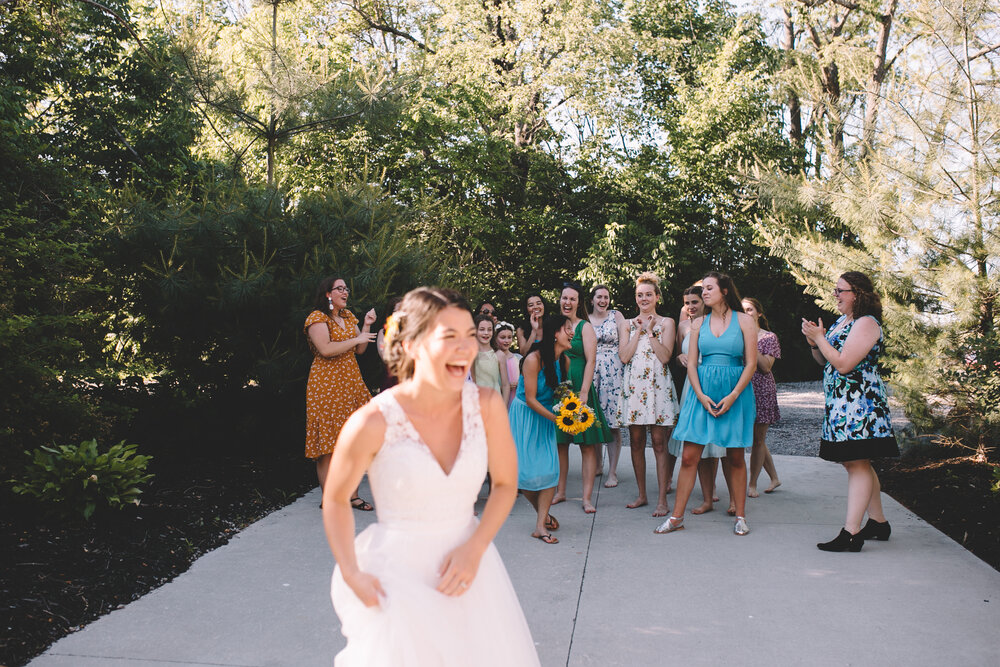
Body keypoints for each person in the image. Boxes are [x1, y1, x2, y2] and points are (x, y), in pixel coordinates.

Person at [322, 287, 540, 665]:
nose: (466, 347)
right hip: (396, 583)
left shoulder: (486, 406)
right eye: (449, 337)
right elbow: (336, 498)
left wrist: (475, 549)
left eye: (470, 335)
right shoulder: (372, 421)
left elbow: (505, 484)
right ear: (410, 345)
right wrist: (352, 572)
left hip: (472, 575)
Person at [802, 271, 899, 552]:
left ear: (857, 293)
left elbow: (844, 364)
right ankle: (878, 522)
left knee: (857, 463)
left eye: (840, 290)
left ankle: (852, 533)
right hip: (842, 404)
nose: (835, 294)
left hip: (861, 406)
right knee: (856, 463)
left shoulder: (867, 323)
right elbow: (825, 361)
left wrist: (820, 338)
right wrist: (814, 341)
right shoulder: (845, 322)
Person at [657, 272, 757, 536]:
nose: (704, 294)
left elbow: (751, 364)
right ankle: (676, 517)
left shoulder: (745, 321)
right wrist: (699, 395)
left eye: (709, 288)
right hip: (701, 392)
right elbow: (691, 363)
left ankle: (741, 517)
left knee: (735, 456)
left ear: (724, 291)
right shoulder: (698, 323)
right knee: (689, 455)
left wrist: (734, 395)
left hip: (735, 391)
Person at [304, 277, 376, 511]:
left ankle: (353, 496)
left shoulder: (347, 317)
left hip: (350, 383)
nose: (345, 292)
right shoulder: (317, 318)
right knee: (327, 446)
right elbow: (325, 349)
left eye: (346, 288)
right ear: (328, 294)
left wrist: (366, 325)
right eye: (340, 288)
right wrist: (357, 338)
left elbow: (360, 349)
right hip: (326, 385)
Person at [508, 314, 575, 544]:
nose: (572, 333)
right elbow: (531, 399)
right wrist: (558, 420)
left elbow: (565, 397)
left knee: (549, 471)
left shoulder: (564, 362)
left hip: (547, 417)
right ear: (555, 333)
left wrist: (573, 419)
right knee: (523, 473)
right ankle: (543, 514)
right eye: (567, 329)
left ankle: (540, 527)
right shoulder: (533, 359)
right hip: (526, 416)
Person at [618, 273, 680, 517]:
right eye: (639, 295)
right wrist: (638, 332)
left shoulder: (667, 322)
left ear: (657, 297)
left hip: (657, 387)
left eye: (648, 294)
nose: (644, 298)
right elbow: (624, 357)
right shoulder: (627, 324)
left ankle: (662, 499)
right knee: (635, 441)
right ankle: (642, 494)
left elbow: (665, 357)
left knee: (658, 442)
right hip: (634, 388)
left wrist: (651, 333)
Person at [668, 285, 729, 515]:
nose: (691, 307)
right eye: (687, 303)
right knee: (698, 444)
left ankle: (725, 494)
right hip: (692, 388)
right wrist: (681, 356)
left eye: (695, 302)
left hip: (714, 385)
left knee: (720, 444)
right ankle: (707, 498)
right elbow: (676, 358)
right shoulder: (684, 326)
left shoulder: (718, 323)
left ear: (704, 301)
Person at [552, 283, 612, 513]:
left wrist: (585, 391)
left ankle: (587, 498)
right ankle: (561, 491)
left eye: (572, 299)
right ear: (560, 300)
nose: (567, 302)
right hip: (559, 388)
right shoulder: (554, 325)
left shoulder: (584, 327)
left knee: (586, 445)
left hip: (580, 386)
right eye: (564, 298)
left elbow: (591, 361)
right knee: (560, 444)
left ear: (579, 302)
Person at [742, 297, 782, 497]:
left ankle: (752, 484)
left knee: (758, 440)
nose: (746, 313)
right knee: (755, 439)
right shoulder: (734, 335)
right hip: (740, 390)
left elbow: (766, 367)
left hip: (761, 390)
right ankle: (774, 478)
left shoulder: (769, 337)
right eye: (742, 310)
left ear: (758, 313)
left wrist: (751, 342)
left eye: (749, 310)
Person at [589, 285, 626, 488]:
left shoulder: (616, 316)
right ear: (592, 299)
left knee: (612, 424)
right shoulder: (585, 319)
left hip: (613, 372)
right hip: (591, 369)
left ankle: (612, 472)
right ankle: (598, 464)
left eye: (606, 297)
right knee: (593, 419)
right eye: (599, 297)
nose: (603, 300)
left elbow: (625, 341)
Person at [471, 314, 509, 404]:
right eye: (482, 329)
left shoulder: (499, 355)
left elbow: (505, 385)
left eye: (489, 329)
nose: (486, 333)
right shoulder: (470, 355)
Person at [376, 296, 403, 393]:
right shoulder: (383, 332)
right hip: (392, 378)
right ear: (391, 314)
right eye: (397, 310)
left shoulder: (412, 332)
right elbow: (385, 356)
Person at [493, 321, 521, 407]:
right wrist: (504, 387)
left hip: (517, 400)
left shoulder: (518, 358)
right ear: (495, 338)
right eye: (502, 337)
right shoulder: (493, 359)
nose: (506, 341)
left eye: (509, 337)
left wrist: (519, 383)